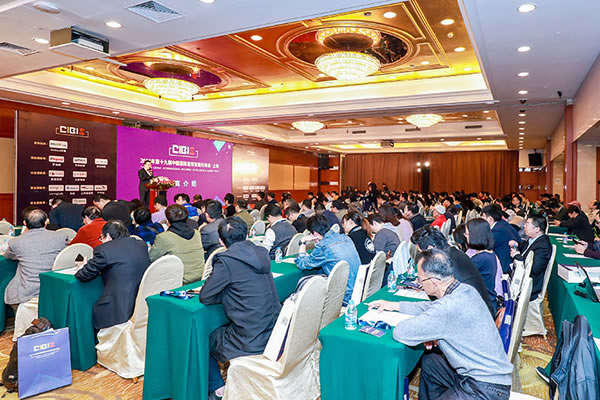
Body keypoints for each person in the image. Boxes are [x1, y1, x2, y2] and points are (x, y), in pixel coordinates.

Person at [368, 249, 512, 400]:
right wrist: (395, 306)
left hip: (485, 388)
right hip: (486, 373)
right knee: (431, 363)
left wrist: (429, 331)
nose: (419, 284)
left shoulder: (446, 308)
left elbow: (401, 332)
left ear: (433, 282)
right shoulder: (465, 289)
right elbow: (431, 308)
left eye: (420, 280)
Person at [200, 217, 280, 400]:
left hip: (250, 339)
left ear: (221, 242)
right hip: (273, 330)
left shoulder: (227, 261)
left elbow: (205, 296)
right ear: (247, 235)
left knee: (203, 337)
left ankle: (218, 389)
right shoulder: (261, 252)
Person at [75, 220, 150, 329]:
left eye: (102, 238)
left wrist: (82, 266)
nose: (102, 241)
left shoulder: (104, 250)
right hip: (141, 304)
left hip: (117, 308)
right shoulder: (141, 245)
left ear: (108, 236)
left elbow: (83, 275)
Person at [411, 225, 495, 317]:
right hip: (482, 310)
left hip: (472, 316)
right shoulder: (453, 252)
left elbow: (440, 304)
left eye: (421, 253)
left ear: (430, 248)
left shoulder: (444, 264)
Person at [4, 208, 69, 307]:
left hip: (27, 291)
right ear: (46, 222)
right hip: (53, 286)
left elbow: (8, 256)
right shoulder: (61, 237)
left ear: (25, 223)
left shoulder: (16, 242)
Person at [295, 214, 360, 305]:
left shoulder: (323, 246)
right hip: (358, 288)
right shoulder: (345, 237)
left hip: (344, 296)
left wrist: (303, 241)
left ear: (315, 233)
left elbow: (301, 263)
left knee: (304, 287)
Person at [150, 205, 205, 284]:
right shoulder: (197, 233)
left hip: (178, 283)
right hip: (200, 279)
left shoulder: (163, 238)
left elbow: (151, 259)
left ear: (167, 220)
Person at [509, 214, 553, 300]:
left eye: (527, 224)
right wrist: (517, 245)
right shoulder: (534, 239)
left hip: (529, 286)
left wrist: (516, 256)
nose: (524, 226)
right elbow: (526, 247)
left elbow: (534, 268)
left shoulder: (543, 245)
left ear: (537, 229)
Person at [465, 218, 500, 312]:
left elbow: (461, 278)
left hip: (483, 308)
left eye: (467, 234)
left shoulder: (481, 259)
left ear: (475, 236)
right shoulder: (489, 254)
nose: (466, 237)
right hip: (488, 303)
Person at [481, 204, 520, 273]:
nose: (481, 219)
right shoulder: (501, 223)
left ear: (490, 219)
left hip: (503, 267)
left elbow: (485, 246)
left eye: (483, 216)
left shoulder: (498, 230)